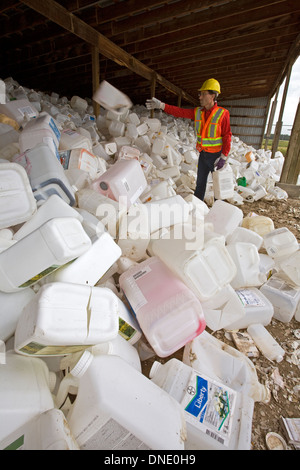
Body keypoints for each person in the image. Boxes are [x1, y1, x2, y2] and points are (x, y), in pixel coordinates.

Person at [146, 78, 232, 201]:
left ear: (212, 95)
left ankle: (219, 212)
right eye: (200, 94)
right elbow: (179, 112)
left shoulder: (223, 114)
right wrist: (161, 105)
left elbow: (227, 136)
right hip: (203, 155)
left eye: (203, 94)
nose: (200, 97)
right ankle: (197, 208)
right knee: (200, 185)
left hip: (216, 157)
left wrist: (223, 157)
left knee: (219, 186)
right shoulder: (198, 112)